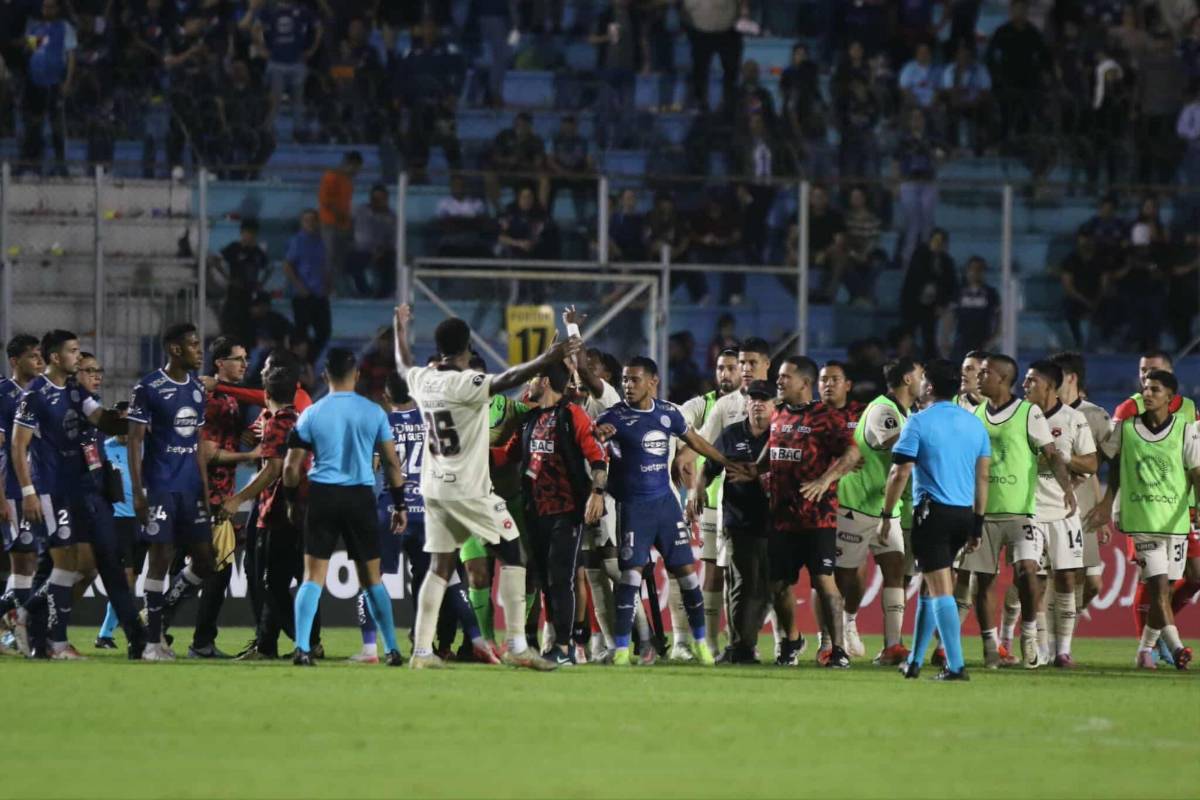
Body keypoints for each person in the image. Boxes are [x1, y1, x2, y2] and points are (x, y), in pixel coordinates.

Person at [392, 303, 582, 670]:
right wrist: (549, 357)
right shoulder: (466, 382)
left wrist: (399, 325)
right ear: (466, 347)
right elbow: (509, 378)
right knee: (514, 553)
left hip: (435, 489)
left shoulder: (423, 379)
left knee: (440, 566)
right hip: (470, 489)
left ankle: (421, 651)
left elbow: (402, 363)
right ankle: (516, 646)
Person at [594, 355, 746, 667]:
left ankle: (701, 644)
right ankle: (622, 649)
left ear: (653, 382)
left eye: (634, 379)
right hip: (633, 508)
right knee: (630, 578)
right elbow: (593, 448)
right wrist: (598, 440)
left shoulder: (667, 413)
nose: (628, 385)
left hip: (666, 507)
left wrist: (726, 462)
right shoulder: (614, 418)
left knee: (688, 576)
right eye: (625, 379)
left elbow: (696, 441)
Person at [282, 348, 406, 667]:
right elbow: (392, 463)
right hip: (360, 496)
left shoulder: (311, 413)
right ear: (357, 375)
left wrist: (291, 502)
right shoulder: (374, 412)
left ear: (325, 376)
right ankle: (391, 648)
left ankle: (302, 648)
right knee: (372, 579)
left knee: (313, 577)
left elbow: (291, 468)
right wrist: (399, 504)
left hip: (323, 495)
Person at [8, 330, 126, 658]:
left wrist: (133, 417)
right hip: (50, 489)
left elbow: (102, 419)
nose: (79, 356)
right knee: (64, 564)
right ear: (56, 358)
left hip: (74, 489)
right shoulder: (36, 395)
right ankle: (50, 637)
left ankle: (29, 618)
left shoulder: (74, 391)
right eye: (73, 351)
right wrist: (29, 492)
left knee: (71, 565)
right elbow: (19, 446)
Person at [956, 354, 1076, 669]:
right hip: (983, 512)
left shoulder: (1028, 413)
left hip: (1021, 512)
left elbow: (1050, 454)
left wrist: (1066, 489)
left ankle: (1028, 634)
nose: (978, 377)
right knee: (983, 583)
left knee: (1027, 569)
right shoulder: (976, 413)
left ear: (1003, 378)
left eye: (985, 373)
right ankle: (989, 645)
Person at [494, 362, 607, 666]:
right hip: (535, 511)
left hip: (567, 510)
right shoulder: (530, 418)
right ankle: (556, 644)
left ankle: (565, 646)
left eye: (531, 377)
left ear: (544, 381)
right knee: (544, 579)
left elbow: (598, 457)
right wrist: (469, 449)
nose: (527, 383)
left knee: (561, 578)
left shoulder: (573, 415)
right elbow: (506, 455)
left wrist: (597, 494)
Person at [884, 358, 991, 680]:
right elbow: (982, 477)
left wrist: (886, 515)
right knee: (930, 590)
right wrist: (977, 523)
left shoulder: (919, 421)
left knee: (940, 590)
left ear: (929, 386)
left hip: (932, 514)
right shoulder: (975, 424)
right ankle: (914, 661)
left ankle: (956, 666)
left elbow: (900, 471)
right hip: (963, 515)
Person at [1088, 369, 1196, 670]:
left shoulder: (1185, 430)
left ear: (1170, 398)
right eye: (1146, 388)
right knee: (1159, 586)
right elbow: (1107, 459)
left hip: (1174, 523)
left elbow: (1197, 473)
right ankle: (1176, 648)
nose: (1147, 394)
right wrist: (1103, 499)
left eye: (1155, 390)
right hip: (1140, 521)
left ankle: (1144, 649)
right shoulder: (1127, 428)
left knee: (1169, 586)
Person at [126, 324, 217, 661]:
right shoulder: (148, 388)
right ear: (175, 350)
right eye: (193, 345)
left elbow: (197, 446)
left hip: (190, 488)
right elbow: (135, 440)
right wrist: (138, 492)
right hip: (161, 486)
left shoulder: (196, 389)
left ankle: (157, 616)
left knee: (206, 560)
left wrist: (206, 492)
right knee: (160, 559)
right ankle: (152, 643)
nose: (199, 350)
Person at [835, 357, 923, 667]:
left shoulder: (908, 413)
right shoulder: (882, 410)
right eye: (920, 373)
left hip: (887, 508)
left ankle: (892, 646)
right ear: (908, 380)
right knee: (845, 578)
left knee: (896, 570)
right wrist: (925, 433)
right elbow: (892, 444)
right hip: (856, 505)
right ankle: (840, 629)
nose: (925, 380)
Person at [1021, 360, 1097, 667]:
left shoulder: (1073, 419)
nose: (1024, 386)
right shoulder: (1020, 416)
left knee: (1066, 579)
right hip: (1029, 511)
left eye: (1031, 381)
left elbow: (1091, 464)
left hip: (1064, 512)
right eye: (1024, 381)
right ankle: (1038, 648)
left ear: (1050, 386)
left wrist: (1065, 458)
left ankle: (1062, 650)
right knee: (1032, 581)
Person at [191, 337, 259, 658]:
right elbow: (205, 452)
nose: (245, 364)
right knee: (212, 571)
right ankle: (198, 642)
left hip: (221, 493)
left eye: (245, 359)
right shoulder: (213, 400)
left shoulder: (229, 400)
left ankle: (157, 632)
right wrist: (248, 455)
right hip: (212, 496)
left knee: (204, 569)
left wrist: (239, 438)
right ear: (219, 363)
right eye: (238, 358)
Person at [697, 379, 772, 663]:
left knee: (767, 589)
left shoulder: (780, 435)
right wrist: (698, 488)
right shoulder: (730, 435)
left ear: (774, 405)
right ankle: (741, 646)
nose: (757, 404)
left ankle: (745, 642)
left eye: (763, 400)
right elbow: (710, 467)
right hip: (737, 519)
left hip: (774, 522)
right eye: (753, 399)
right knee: (742, 583)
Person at [677, 349, 739, 658]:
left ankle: (775, 641)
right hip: (714, 503)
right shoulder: (705, 405)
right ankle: (712, 643)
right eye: (720, 368)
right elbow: (684, 446)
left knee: (742, 574)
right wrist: (692, 490)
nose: (725, 374)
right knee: (714, 573)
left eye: (731, 368)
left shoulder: (758, 403)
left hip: (746, 503)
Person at [1048, 352, 1112, 614]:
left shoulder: (1095, 415)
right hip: (1048, 504)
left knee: (1085, 582)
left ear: (1072, 377)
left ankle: (1060, 644)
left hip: (1083, 508)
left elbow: (1098, 467)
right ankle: (1044, 644)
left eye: (1057, 376)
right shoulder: (1039, 413)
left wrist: (1102, 507)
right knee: (1050, 578)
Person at [0, 336, 43, 640]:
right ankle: (16, 629)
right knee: (23, 558)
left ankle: (9, 628)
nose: (39, 361)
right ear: (15, 361)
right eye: (32, 356)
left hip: (38, 488)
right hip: (13, 488)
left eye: (41, 355)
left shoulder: (43, 392)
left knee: (30, 560)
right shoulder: (4, 394)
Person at [21, 0, 75, 175]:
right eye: (44, 6)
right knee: (34, 126)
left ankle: (61, 165)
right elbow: (31, 51)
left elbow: (71, 56)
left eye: (50, 6)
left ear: (57, 8)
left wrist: (67, 82)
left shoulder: (65, 27)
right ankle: (33, 165)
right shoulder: (37, 27)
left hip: (54, 83)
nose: (46, 10)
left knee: (57, 125)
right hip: (35, 83)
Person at [283, 209, 331, 364]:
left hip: (319, 294)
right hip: (303, 295)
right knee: (301, 335)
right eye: (307, 220)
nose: (310, 223)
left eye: (313, 220)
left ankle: (309, 362)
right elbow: (288, 265)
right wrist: (299, 286)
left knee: (324, 332)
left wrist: (327, 285)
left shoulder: (321, 242)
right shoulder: (297, 241)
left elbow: (324, 266)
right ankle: (299, 364)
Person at [216, 219, 268, 348]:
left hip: (250, 299)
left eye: (252, 233)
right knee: (230, 336)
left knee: (247, 339)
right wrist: (228, 279)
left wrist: (260, 284)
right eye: (247, 233)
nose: (249, 236)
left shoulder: (257, 252)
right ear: (241, 233)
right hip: (234, 297)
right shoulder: (234, 248)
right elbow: (215, 261)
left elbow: (267, 268)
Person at [317, 151, 361, 293]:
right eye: (355, 168)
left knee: (339, 261)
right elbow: (325, 200)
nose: (357, 172)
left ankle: (336, 289)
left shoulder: (348, 181)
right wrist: (339, 215)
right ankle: (326, 289)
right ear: (348, 164)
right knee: (329, 259)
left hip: (343, 226)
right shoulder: (331, 177)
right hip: (330, 224)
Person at [348, 184, 397, 299]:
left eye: (380, 199)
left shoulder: (391, 217)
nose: (377, 201)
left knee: (390, 263)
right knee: (352, 261)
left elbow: (392, 239)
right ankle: (364, 293)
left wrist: (381, 250)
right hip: (360, 250)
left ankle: (383, 296)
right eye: (374, 198)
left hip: (382, 251)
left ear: (386, 199)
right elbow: (349, 228)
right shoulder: (360, 211)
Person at [951, 257, 1000, 357]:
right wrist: (945, 339)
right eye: (972, 269)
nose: (975, 272)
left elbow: (999, 318)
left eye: (979, 269)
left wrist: (993, 340)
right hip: (961, 342)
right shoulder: (958, 292)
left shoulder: (991, 293)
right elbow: (950, 316)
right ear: (967, 271)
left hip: (983, 342)